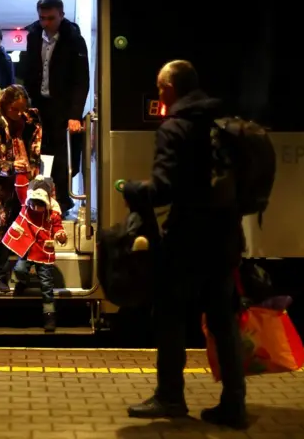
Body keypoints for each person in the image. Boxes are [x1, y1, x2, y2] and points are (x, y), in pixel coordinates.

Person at [123, 60, 247, 429]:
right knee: (223, 321)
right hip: (225, 236)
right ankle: (234, 403)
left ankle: (171, 397)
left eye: (160, 88)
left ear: (170, 89)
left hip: (189, 241)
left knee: (170, 316)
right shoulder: (219, 122)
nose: (159, 95)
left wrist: (132, 189)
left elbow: (163, 189)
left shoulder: (175, 128)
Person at [23, 0, 90, 213]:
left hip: (63, 107)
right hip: (39, 105)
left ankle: (62, 201)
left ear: (61, 15)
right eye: (42, 18)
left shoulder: (73, 39)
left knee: (64, 157)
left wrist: (74, 114)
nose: (46, 23)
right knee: (39, 152)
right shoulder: (33, 36)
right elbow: (30, 72)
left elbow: (81, 80)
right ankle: (41, 200)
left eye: (51, 18)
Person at [0, 84, 42, 292]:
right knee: (4, 226)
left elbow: (35, 144)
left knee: (27, 221)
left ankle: (23, 273)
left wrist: (33, 165)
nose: (19, 114)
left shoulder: (28, 119)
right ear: (4, 105)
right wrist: (11, 167)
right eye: (15, 110)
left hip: (23, 179)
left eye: (22, 110)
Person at [2, 174, 67, 331]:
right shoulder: (26, 208)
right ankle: (23, 281)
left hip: (44, 252)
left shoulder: (53, 215)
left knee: (46, 285)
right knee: (19, 269)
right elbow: (21, 186)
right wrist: (21, 171)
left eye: (40, 205)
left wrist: (60, 235)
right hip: (27, 248)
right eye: (33, 204)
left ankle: (49, 315)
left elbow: (58, 229)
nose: (36, 208)